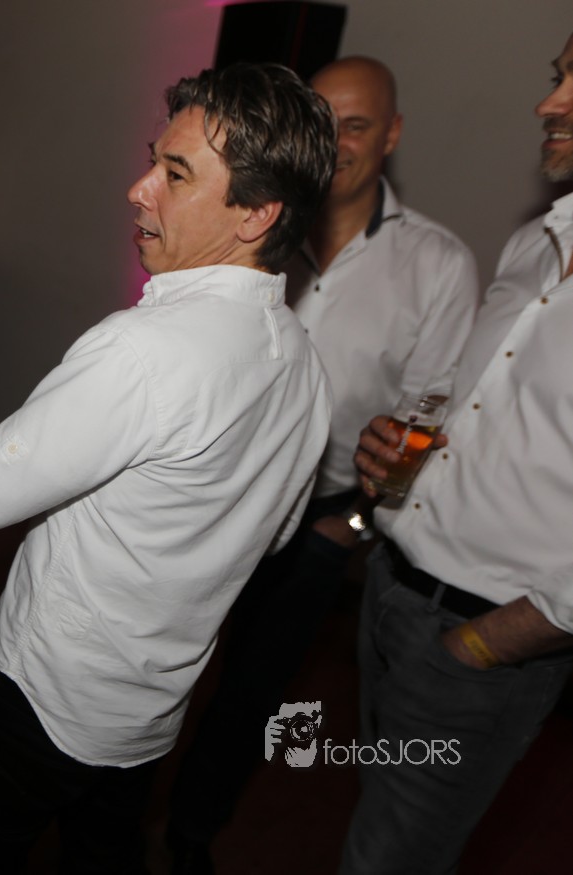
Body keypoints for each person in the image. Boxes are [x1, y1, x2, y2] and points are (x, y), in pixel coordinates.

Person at [0, 62, 337, 872]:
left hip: (41, 703)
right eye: (153, 160)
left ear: (256, 214)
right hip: (148, 719)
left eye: (174, 173)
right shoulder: (304, 362)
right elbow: (275, 531)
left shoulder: (144, 351)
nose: (137, 189)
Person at [162, 57, 479, 875]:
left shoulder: (436, 265)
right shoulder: (249, 223)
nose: (335, 142)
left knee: (249, 693)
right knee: (155, 667)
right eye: (322, 120)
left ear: (392, 135)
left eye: (357, 125)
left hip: (319, 523)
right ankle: (108, 819)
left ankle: (187, 834)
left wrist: (353, 526)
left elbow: (426, 426)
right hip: (205, 495)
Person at [342, 33, 573, 875]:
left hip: (480, 644)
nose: (547, 104)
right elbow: (473, 408)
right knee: (369, 813)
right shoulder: (534, 242)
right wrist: (393, 458)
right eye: (557, 77)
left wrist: (484, 646)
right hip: (389, 592)